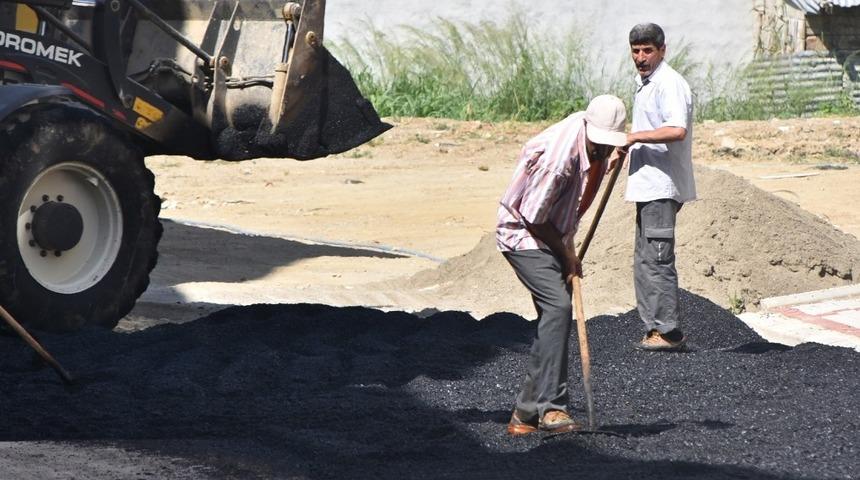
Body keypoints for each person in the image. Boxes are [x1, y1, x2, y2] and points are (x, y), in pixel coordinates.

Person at [496, 95, 628, 435]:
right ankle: (552, 408)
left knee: (552, 319)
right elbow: (534, 217)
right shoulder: (559, 161)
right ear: (589, 129)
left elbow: (585, 178)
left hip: (551, 228)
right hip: (522, 233)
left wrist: (610, 157)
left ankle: (525, 414)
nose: (604, 148)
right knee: (558, 306)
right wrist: (568, 255)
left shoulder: (588, 137)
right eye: (601, 144)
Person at [623, 23, 696, 351]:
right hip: (646, 186)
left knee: (657, 258)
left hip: (661, 186)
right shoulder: (645, 84)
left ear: (662, 50)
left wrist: (635, 137)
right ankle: (654, 328)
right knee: (644, 260)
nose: (641, 57)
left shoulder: (669, 83)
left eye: (647, 50)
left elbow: (676, 129)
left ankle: (668, 332)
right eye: (636, 51)